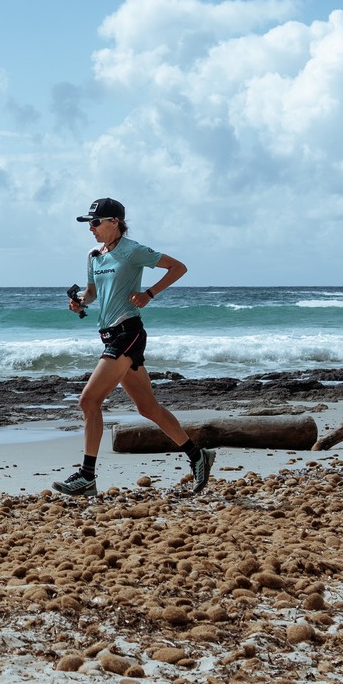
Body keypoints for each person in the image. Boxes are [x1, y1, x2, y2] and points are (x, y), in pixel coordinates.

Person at [57, 197, 215, 497]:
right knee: (147, 407)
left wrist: (150, 294)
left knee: (88, 402)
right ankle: (198, 456)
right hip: (107, 334)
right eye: (88, 223)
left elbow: (178, 267)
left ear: (114, 222)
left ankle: (87, 476)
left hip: (127, 333)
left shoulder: (133, 251)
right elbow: (92, 293)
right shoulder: (94, 255)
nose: (91, 229)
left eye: (95, 223)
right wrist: (79, 302)